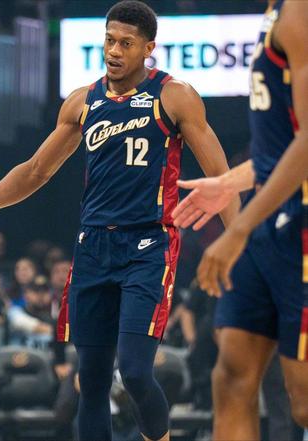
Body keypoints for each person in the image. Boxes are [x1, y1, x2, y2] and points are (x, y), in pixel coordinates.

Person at [0, 2, 240, 440]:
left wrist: (240, 239)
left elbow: (221, 178)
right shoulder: (83, 101)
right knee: (90, 379)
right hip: (92, 247)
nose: (114, 51)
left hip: (148, 245)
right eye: (109, 40)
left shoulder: (173, 95)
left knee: (135, 371)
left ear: (148, 48)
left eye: (126, 43)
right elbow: (36, 171)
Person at [171, 1, 308, 438]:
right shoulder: (277, 11)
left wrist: (240, 228)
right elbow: (281, 147)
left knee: (303, 401)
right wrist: (229, 183)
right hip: (271, 226)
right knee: (231, 377)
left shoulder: (301, 12)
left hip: (300, 228)